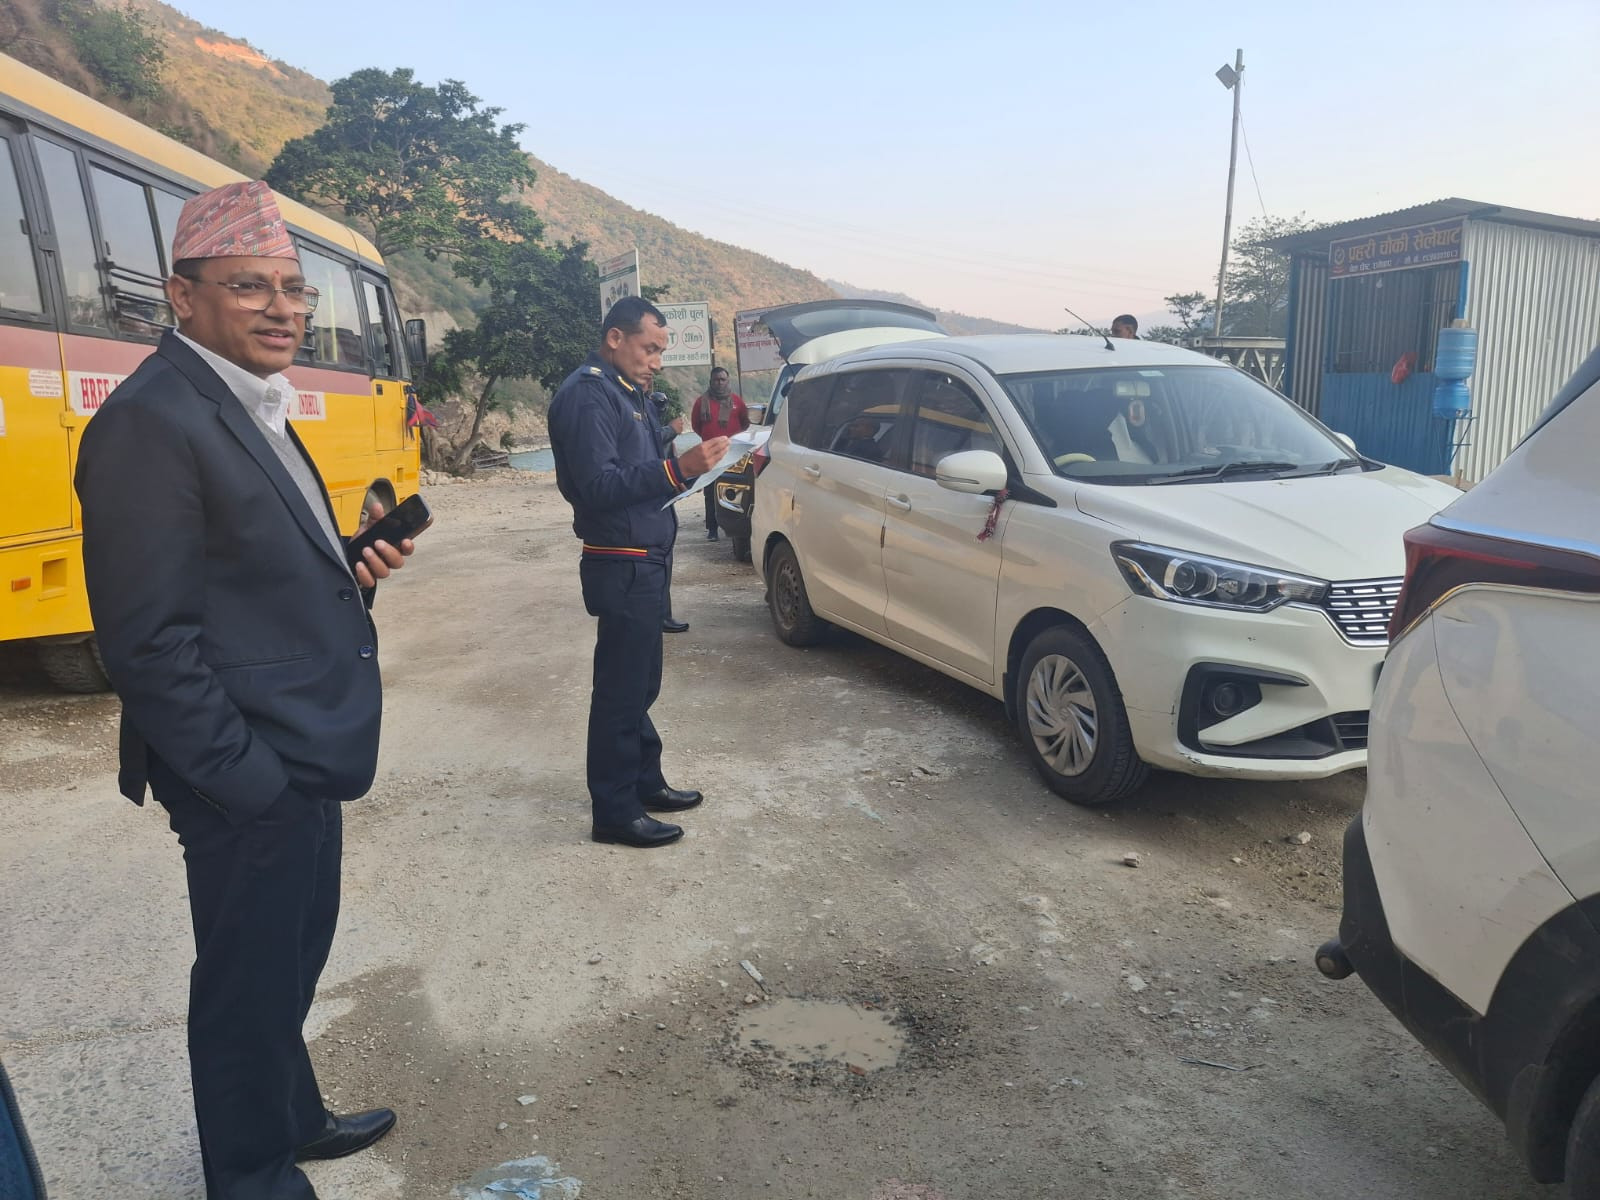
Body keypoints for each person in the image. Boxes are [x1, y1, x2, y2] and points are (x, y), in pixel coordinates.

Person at [74, 181, 413, 1200]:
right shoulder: (150, 421)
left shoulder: (251, 401)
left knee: (287, 959)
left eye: (293, 289)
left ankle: (292, 1116)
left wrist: (351, 565)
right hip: (242, 766)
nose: (282, 309)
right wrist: (247, 781)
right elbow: (146, 642)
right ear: (182, 296)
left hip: (297, 743)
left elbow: (249, 571)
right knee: (244, 984)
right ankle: (252, 1176)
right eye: (249, 287)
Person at [548, 298, 729, 849]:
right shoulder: (588, 394)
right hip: (619, 559)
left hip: (645, 557)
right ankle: (614, 810)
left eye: (660, 352)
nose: (656, 361)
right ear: (615, 338)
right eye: (649, 349)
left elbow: (643, 467)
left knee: (641, 683)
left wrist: (689, 462)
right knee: (620, 691)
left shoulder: (628, 393)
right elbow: (598, 486)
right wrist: (677, 469)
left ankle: (645, 782)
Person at [689, 366, 748, 539]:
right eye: (716, 380)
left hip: (734, 454)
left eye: (723, 379)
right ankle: (712, 529)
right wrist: (710, 439)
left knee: (735, 491)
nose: (720, 383)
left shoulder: (737, 402)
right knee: (710, 492)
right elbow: (696, 426)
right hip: (710, 454)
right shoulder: (701, 402)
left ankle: (736, 528)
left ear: (728, 381)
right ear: (711, 381)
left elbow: (745, 424)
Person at [647, 389, 689, 634]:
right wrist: (672, 430)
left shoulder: (660, 432)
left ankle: (663, 614)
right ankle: (661, 616)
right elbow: (650, 442)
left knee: (664, 559)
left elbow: (670, 462)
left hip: (664, 497)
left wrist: (681, 484)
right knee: (660, 559)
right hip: (652, 501)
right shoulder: (652, 431)